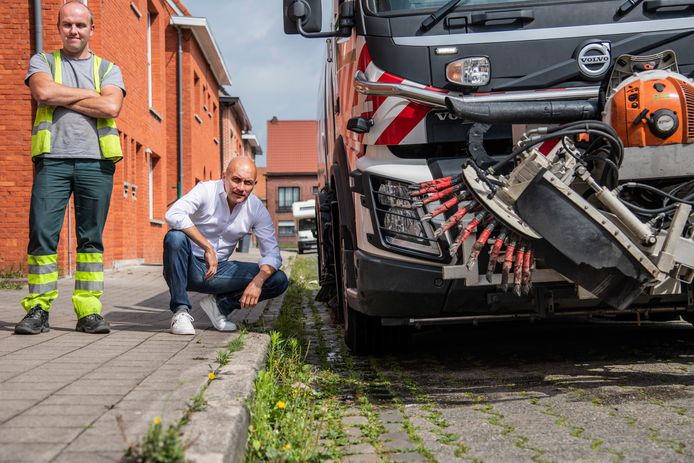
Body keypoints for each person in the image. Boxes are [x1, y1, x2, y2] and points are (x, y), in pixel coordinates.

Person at [15, 1, 125, 335]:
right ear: (59, 28)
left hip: (97, 163)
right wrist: (87, 96)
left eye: (80, 25)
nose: (73, 31)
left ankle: (89, 312)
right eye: (67, 25)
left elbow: (111, 105)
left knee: (90, 240)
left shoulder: (109, 68)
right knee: (42, 235)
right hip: (53, 161)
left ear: (92, 29)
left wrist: (64, 96)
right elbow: (44, 92)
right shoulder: (43, 62)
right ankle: (38, 309)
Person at [163, 157, 289, 334]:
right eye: (236, 180)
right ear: (224, 177)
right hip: (186, 266)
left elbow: (273, 254)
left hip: (219, 272)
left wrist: (257, 282)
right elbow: (173, 214)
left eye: (247, 183)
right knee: (175, 238)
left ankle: (219, 306)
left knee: (278, 280)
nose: (240, 188)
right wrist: (207, 247)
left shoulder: (256, 208)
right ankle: (180, 312)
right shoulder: (206, 190)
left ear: (254, 184)